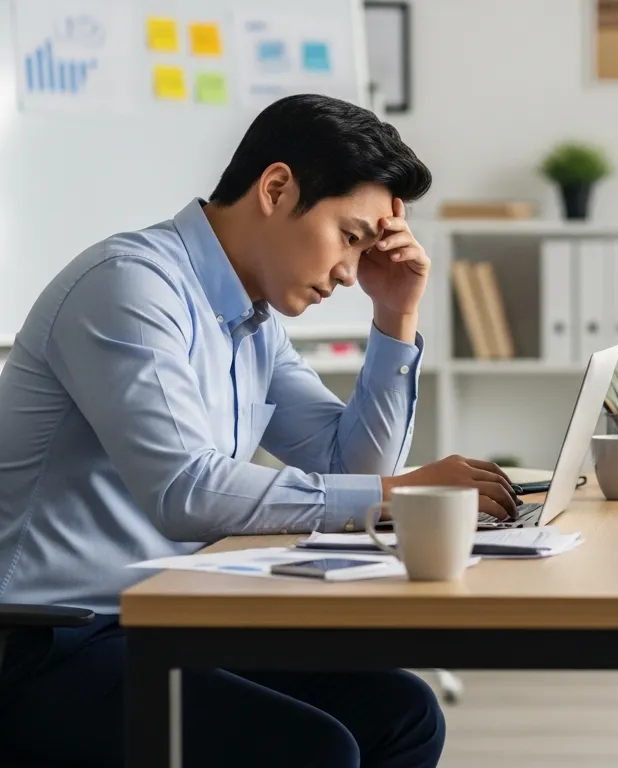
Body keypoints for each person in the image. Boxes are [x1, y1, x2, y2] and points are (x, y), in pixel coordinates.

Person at [0, 94, 519, 766]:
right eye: (351, 236)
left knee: (404, 714)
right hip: (54, 645)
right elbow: (186, 492)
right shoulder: (129, 288)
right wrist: (400, 493)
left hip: (166, 625)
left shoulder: (252, 319)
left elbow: (348, 465)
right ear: (276, 189)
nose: (349, 270)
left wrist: (396, 313)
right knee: (315, 750)